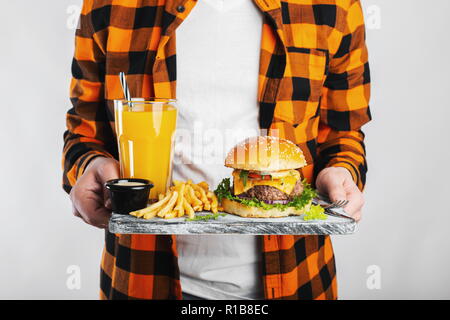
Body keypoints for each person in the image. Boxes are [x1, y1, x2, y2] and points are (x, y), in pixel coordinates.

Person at [64, 0, 370, 300]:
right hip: (141, 275)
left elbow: (344, 131)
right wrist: (89, 164)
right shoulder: (109, 5)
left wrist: (341, 170)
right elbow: (84, 130)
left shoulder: (334, 6)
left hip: (299, 276)